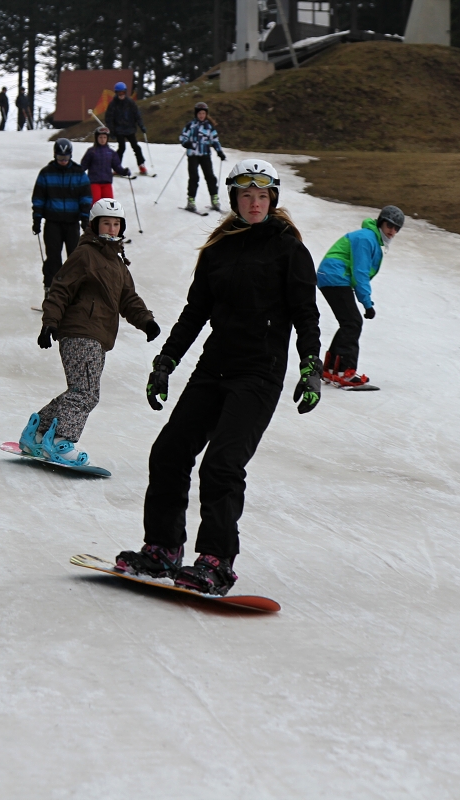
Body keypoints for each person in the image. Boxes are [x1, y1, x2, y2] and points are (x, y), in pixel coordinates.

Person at [115, 159, 322, 596]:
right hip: (213, 368)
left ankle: (217, 561)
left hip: (259, 373)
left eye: (262, 196)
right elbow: (195, 313)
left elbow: (306, 314)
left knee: (222, 465)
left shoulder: (289, 251)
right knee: (169, 452)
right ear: (234, 199)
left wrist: (310, 367)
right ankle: (163, 548)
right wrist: (165, 362)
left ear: (273, 200)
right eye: (247, 195)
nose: (255, 203)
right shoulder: (218, 251)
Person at [18, 199, 160, 466]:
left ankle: (36, 433)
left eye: (116, 224)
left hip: (97, 335)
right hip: (80, 331)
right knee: (85, 393)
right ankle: (60, 442)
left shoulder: (117, 262)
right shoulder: (85, 254)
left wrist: (146, 321)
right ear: (94, 225)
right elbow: (61, 288)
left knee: (79, 390)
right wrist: (49, 322)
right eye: (106, 223)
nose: (112, 228)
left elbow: (128, 299)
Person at [315, 205, 405, 388]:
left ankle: (331, 370)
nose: (392, 231)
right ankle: (345, 373)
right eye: (389, 226)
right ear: (381, 223)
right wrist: (367, 303)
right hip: (335, 277)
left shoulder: (371, 238)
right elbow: (360, 272)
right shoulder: (366, 238)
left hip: (332, 277)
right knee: (352, 323)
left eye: (396, 228)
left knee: (349, 323)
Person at [31, 138, 92, 290]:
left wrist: (85, 218)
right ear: (55, 155)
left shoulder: (78, 172)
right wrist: (37, 218)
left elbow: (86, 197)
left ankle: (75, 289)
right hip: (53, 222)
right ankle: (51, 288)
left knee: (74, 257)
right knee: (53, 257)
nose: (63, 161)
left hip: (72, 223)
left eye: (66, 158)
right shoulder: (46, 173)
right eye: (60, 158)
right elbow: (39, 198)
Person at [179, 101, 227, 214]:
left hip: (205, 155)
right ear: (196, 114)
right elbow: (183, 136)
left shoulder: (209, 126)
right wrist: (186, 143)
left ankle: (214, 199)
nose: (201, 115)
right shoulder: (191, 125)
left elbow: (214, 140)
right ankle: (191, 201)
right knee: (194, 177)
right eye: (199, 113)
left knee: (210, 177)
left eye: (203, 113)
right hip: (193, 155)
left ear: (206, 114)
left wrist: (219, 152)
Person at [104, 82, 148, 176]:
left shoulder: (130, 102)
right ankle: (117, 167)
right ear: (116, 93)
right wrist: (111, 131)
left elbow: (137, 115)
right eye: (119, 93)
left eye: (123, 92)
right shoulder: (113, 104)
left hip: (130, 129)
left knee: (136, 147)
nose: (121, 95)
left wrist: (141, 126)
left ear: (125, 92)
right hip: (119, 130)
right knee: (122, 148)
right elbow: (109, 119)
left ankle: (141, 165)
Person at [79, 126, 129, 204]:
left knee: (109, 204)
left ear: (107, 138)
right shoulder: (91, 151)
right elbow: (83, 165)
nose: (102, 140)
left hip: (107, 182)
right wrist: (76, 172)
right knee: (95, 203)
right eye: (100, 137)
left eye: (104, 137)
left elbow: (117, 166)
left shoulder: (111, 153)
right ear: (96, 138)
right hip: (94, 182)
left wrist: (124, 171)